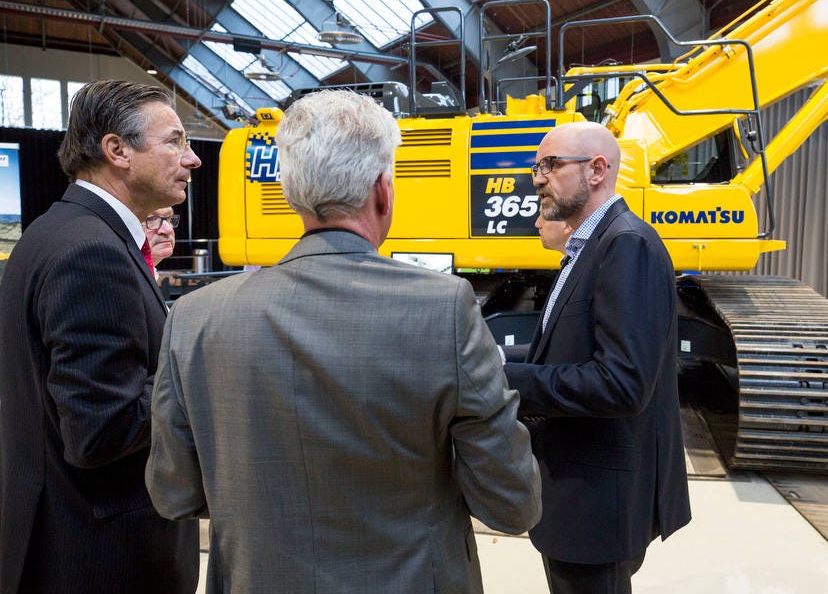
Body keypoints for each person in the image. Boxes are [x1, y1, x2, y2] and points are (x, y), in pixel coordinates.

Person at [145, 89, 542, 593]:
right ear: (383, 189)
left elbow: (174, 494)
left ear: (292, 193)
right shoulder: (442, 309)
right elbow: (511, 503)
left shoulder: (195, 318)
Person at [0, 79, 202, 593]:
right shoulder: (92, 253)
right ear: (117, 151)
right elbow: (100, 430)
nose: (193, 158)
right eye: (175, 141)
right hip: (104, 553)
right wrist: (202, 377)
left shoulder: (55, 232)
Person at [504, 121, 691, 593]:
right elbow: (572, 348)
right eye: (536, 167)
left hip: (599, 500)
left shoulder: (626, 245)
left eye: (550, 165)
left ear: (597, 170)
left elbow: (622, 382)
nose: (538, 178)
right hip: (580, 492)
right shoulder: (592, 246)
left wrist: (503, 378)